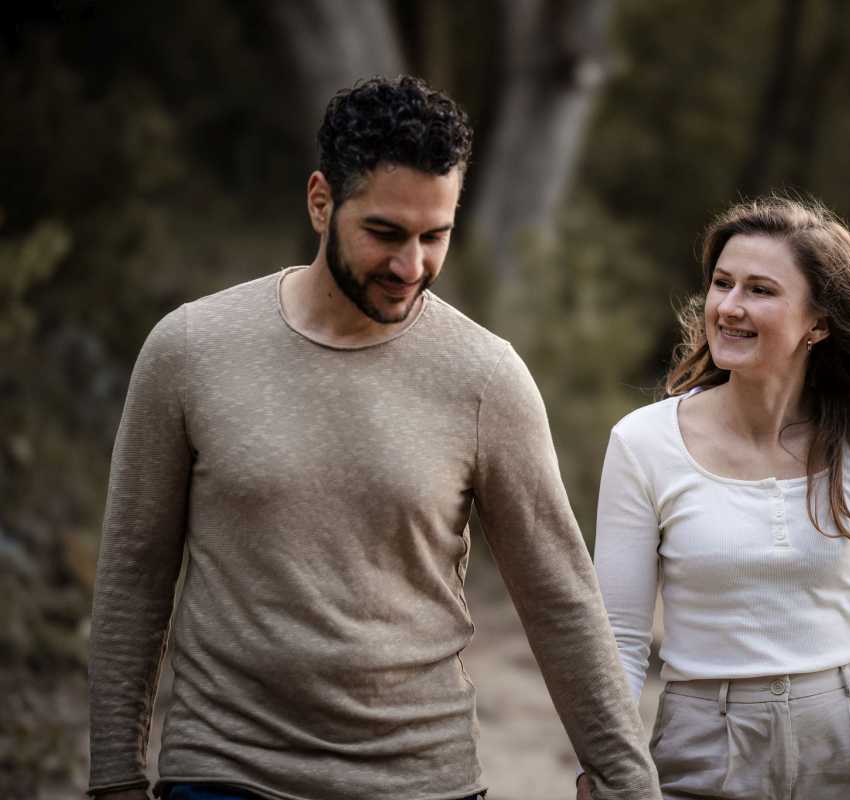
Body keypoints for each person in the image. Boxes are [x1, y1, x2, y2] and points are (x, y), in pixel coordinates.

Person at [88, 75, 660, 800]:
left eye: (436, 236)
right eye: (385, 233)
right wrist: (113, 776)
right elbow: (134, 571)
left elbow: (561, 596)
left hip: (421, 779)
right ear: (321, 200)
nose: (410, 267)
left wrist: (626, 782)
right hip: (225, 771)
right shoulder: (191, 349)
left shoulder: (485, 376)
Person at [579, 197, 850, 799]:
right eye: (722, 284)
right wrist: (601, 767)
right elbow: (619, 636)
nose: (729, 307)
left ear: (819, 323)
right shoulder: (643, 443)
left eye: (760, 290)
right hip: (704, 749)